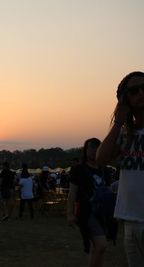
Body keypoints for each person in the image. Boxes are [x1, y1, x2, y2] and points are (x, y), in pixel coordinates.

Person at [96, 71, 144, 267]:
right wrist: (118, 121)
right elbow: (100, 159)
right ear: (126, 99)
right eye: (134, 91)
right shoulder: (125, 134)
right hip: (131, 218)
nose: (141, 93)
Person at [67, 138, 115, 267]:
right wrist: (70, 214)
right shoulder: (79, 169)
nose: (94, 151)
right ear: (86, 150)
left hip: (103, 213)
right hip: (87, 213)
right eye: (91, 148)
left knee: (97, 249)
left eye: (97, 148)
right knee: (101, 245)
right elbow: (72, 193)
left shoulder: (104, 170)